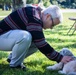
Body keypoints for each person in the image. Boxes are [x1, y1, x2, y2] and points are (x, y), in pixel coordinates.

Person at [0, 5, 72, 69]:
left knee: (35, 41)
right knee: (25, 36)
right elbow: (41, 43)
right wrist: (60, 58)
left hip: (5, 37)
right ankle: (15, 65)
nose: (51, 28)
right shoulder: (34, 16)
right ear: (48, 16)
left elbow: (39, 42)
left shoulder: (35, 13)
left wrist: (59, 57)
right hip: (1, 36)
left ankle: (12, 59)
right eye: (53, 25)